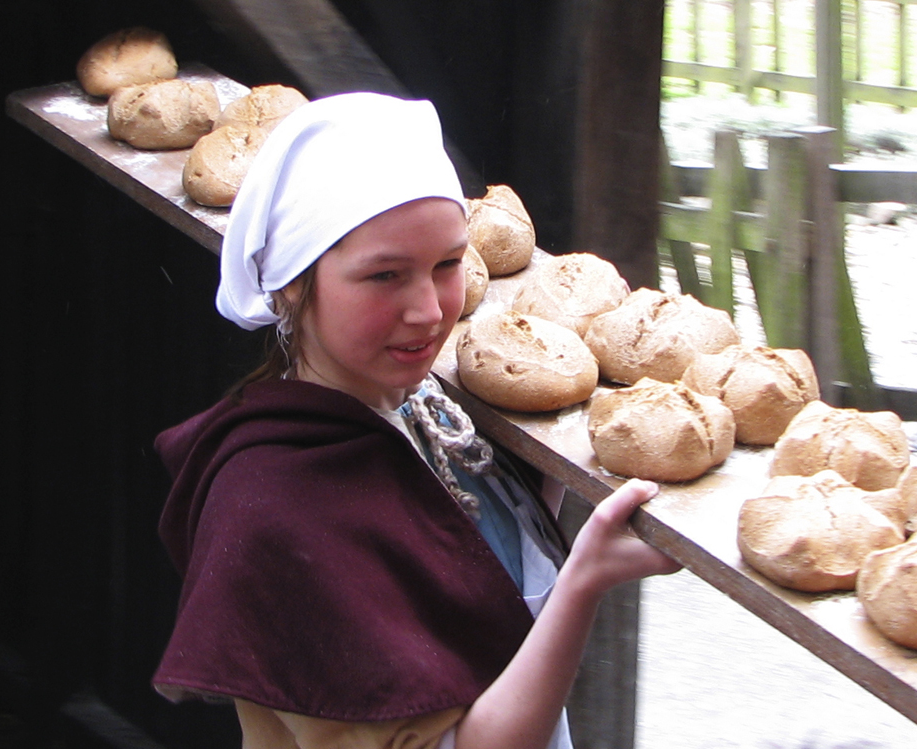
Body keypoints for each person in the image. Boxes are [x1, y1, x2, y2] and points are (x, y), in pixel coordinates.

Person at [152, 91, 680, 749]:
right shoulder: (273, 513)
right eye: (385, 276)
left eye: (447, 264)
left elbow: (490, 571)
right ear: (293, 281)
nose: (429, 309)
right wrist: (586, 577)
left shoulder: (427, 412)